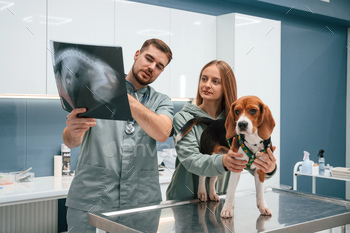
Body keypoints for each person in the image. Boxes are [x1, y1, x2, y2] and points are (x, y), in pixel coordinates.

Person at [63, 38, 173, 233]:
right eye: (149, 58)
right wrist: (73, 131)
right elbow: (71, 141)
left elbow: (163, 132)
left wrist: (121, 96)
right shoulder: (95, 89)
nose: (151, 67)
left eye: (159, 66)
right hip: (91, 200)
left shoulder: (161, 101)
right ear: (137, 54)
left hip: (140, 205)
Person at [166, 60, 276, 201]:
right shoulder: (183, 117)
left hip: (220, 198)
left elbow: (248, 161)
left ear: (226, 87)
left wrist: (269, 167)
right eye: (204, 79)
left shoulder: (236, 123)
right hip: (183, 199)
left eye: (215, 81)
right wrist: (224, 161)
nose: (207, 85)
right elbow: (191, 160)